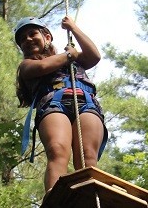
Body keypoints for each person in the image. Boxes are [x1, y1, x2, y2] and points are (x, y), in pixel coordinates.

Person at [13, 16, 108, 193]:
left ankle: (89, 199)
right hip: (53, 104)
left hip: (86, 102)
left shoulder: (72, 58)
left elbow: (94, 56)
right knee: (57, 151)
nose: (27, 39)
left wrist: (73, 28)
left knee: (87, 156)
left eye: (32, 33)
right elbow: (42, 68)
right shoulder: (27, 65)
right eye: (22, 39)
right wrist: (69, 55)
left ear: (47, 37)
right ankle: (54, 199)